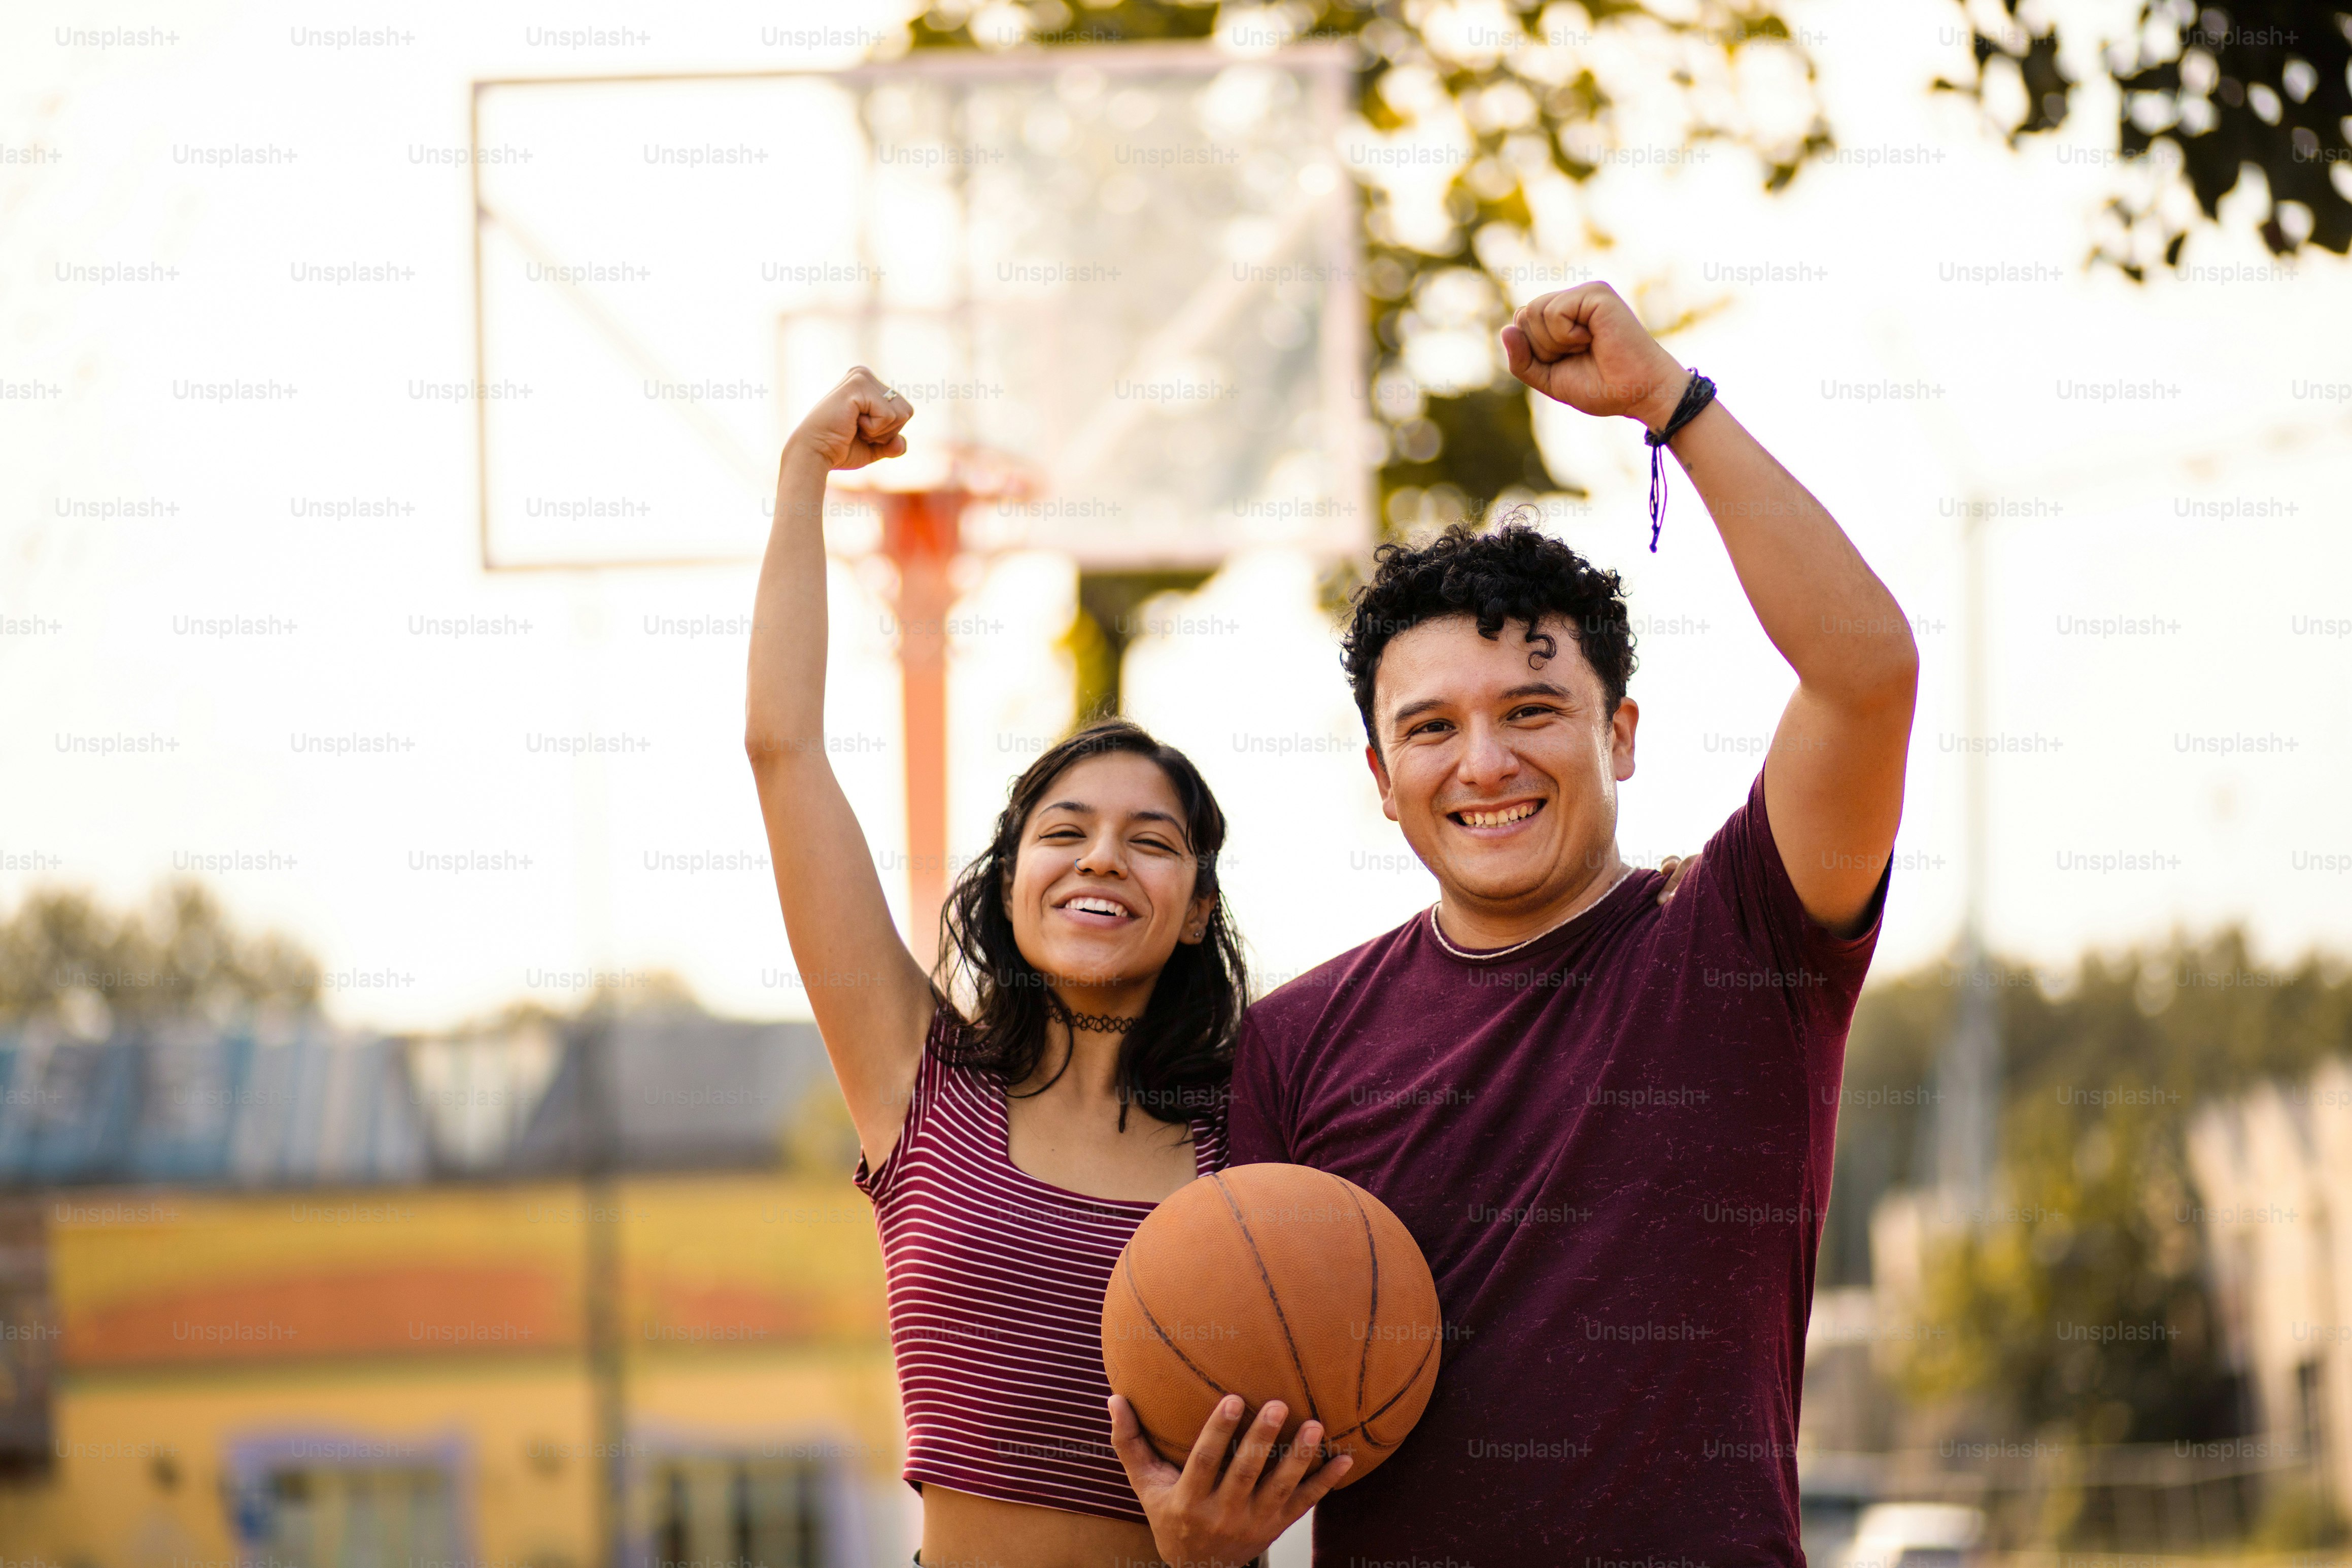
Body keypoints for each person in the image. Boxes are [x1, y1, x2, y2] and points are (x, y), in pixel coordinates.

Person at [1113, 281, 1920, 1564]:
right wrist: (1210, 1543)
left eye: (1531, 709)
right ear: (1381, 781)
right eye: (1429, 728)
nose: (1481, 761)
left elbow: (1866, 670)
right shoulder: (1295, 1041)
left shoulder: (1743, 941)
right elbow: (1240, 1382)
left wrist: (1672, 402)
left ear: (1620, 735)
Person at [741, 367, 1351, 1568]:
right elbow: (783, 750)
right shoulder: (918, 1084)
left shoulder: (1251, 1150)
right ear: (1010, 881)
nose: (1100, 860)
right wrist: (799, 476)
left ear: (1193, 911)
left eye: (1150, 840)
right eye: (1063, 831)